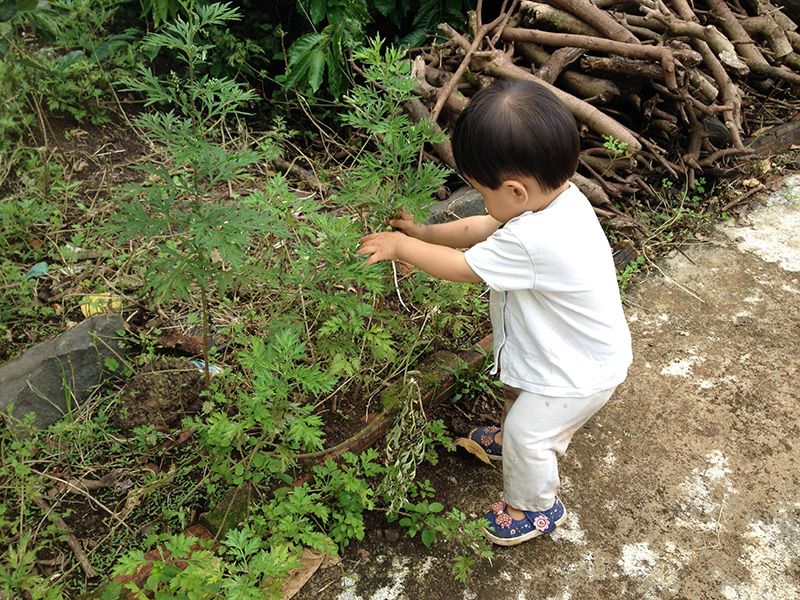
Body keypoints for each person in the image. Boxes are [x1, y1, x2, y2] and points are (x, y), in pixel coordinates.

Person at [356, 79, 632, 546]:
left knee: (530, 433)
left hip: (579, 372)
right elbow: (481, 227)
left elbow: (464, 268)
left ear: (515, 191)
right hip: (561, 350)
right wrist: (424, 232)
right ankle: (511, 445)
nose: (484, 203)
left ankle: (537, 507)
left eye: (483, 191)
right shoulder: (561, 200)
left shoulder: (534, 240)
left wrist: (402, 245)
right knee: (516, 389)